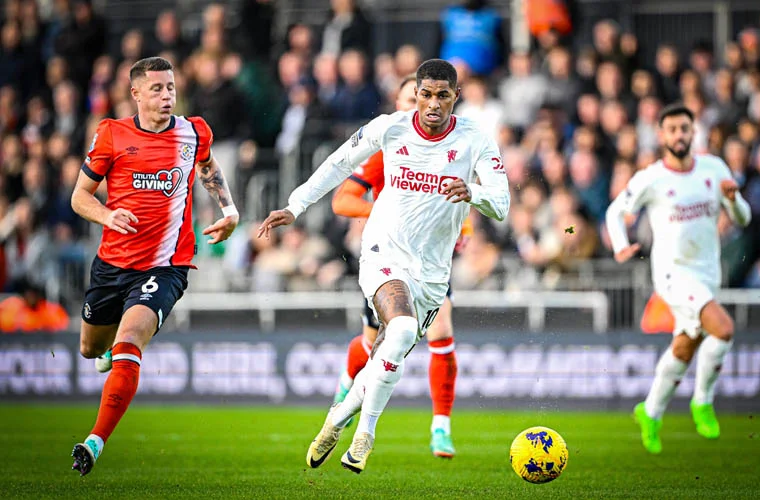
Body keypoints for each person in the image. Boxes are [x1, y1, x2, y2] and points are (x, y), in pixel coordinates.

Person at [259, 59, 509, 473]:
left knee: (386, 353)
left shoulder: (475, 138)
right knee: (403, 330)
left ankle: (338, 417)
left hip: (432, 271)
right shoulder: (390, 127)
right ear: (416, 94)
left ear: (456, 97)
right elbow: (339, 163)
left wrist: (473, 192)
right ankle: (365, 435)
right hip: (383, 253)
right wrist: (295, 205)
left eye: (442, 96)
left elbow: (501, 204)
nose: (432, 104)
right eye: (425, 94)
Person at [69, 56, 239, 476]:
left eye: (171, 87)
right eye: (157, 88)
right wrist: (107, 215)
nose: (167, 96)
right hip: (112, 264)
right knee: (90, 348)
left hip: (166, 266)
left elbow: (208, 166)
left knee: (130, 339)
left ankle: (94, 442)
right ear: (136, 94)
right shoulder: (112, 134)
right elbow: (80, 196)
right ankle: (109, 349)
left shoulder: (193, 132)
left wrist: (230, 209)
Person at [330, 74, 472, 458]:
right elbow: (342, 200)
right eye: (414, 100)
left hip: (430, 263)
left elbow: (462, 201)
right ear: (398, 106)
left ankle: (441, 427)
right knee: (371, 344)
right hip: (388, 260)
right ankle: (346, 388)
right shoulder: (388, 150)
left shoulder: (450, 150)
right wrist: (383, 212)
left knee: (442, 331)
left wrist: (464, 228)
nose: (425, 108)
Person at [605, 103, 751, 454]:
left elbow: (743, 219)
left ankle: (650, 411)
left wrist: (733, 202)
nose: (679, 135)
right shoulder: (652, 178)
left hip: (707, 272)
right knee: (723, 329)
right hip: (673, 274)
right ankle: (703, 401)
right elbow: (615, 212)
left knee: (686, 344)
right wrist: (621, 245)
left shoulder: (714, 169)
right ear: (661, 136)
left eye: (684, 128)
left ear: (693, 131)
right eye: (672, 129)